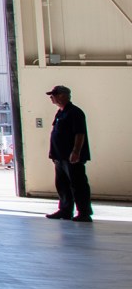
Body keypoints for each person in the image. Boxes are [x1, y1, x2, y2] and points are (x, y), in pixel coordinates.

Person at [45, 84, 92, 221]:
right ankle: (65, 210)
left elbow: (79, 133)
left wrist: (76, 151)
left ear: (63, 96)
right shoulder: (61, 112)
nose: (51, 98)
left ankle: (84, 212)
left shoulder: (75, 112)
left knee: (78, 184)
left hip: (71, 156)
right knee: (62, 184)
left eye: (54, 95)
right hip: (59, 156)